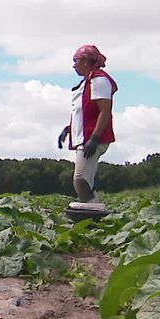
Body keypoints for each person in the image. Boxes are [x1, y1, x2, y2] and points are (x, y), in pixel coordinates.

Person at [57, 44, 117, 206]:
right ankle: (95, 216)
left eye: (75, 60)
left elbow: (104, 111)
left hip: (92, 138)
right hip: (85, 138)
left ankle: (94, 215)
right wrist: (68, 130)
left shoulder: (98, 80)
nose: (73, 65)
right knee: (84, 181)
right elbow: (83, 114)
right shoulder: (87, 83)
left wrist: (95, 138)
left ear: (85, 61)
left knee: (81, 180)